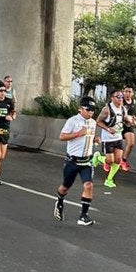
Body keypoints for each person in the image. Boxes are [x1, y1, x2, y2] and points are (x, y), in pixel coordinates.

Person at [54, 97, 99, 226]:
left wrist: (95, 139)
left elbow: (89, 137)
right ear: (81, 109)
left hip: (86, 161)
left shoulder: (93, 122)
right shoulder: (72, 121)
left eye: (93, 110)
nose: (91, 113)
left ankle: (83, 215)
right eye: (88, 110)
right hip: (72, 161)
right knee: (65, 187)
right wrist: (78, 134)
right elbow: (62, 136)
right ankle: (60, 201)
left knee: (88, 185)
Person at [93, 89, 135, 189]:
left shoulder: (123, 109)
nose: (121, 99)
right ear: (112, 98)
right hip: (107, 139)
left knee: (118, 160)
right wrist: (108, 129)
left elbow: (125, 120)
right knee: (110, 161)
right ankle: (98, 157)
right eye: (118, 97)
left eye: (121, 97)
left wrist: (131, 121)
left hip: (118, 138)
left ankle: (109, 180)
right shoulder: (106, 109)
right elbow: (98, 121)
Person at [120, 86, 136, 171]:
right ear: (123, 92)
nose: (127, 93)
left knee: (131, 143)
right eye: (126, 91)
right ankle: (106, 161)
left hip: (128, 126)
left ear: (132, 93)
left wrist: (134, 119)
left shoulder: (133, 102)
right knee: (115, 148)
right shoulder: (120, 101)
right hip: (118, 126)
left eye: (129, 92)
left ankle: (123, 161)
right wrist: (125, 118)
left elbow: (133, 114)